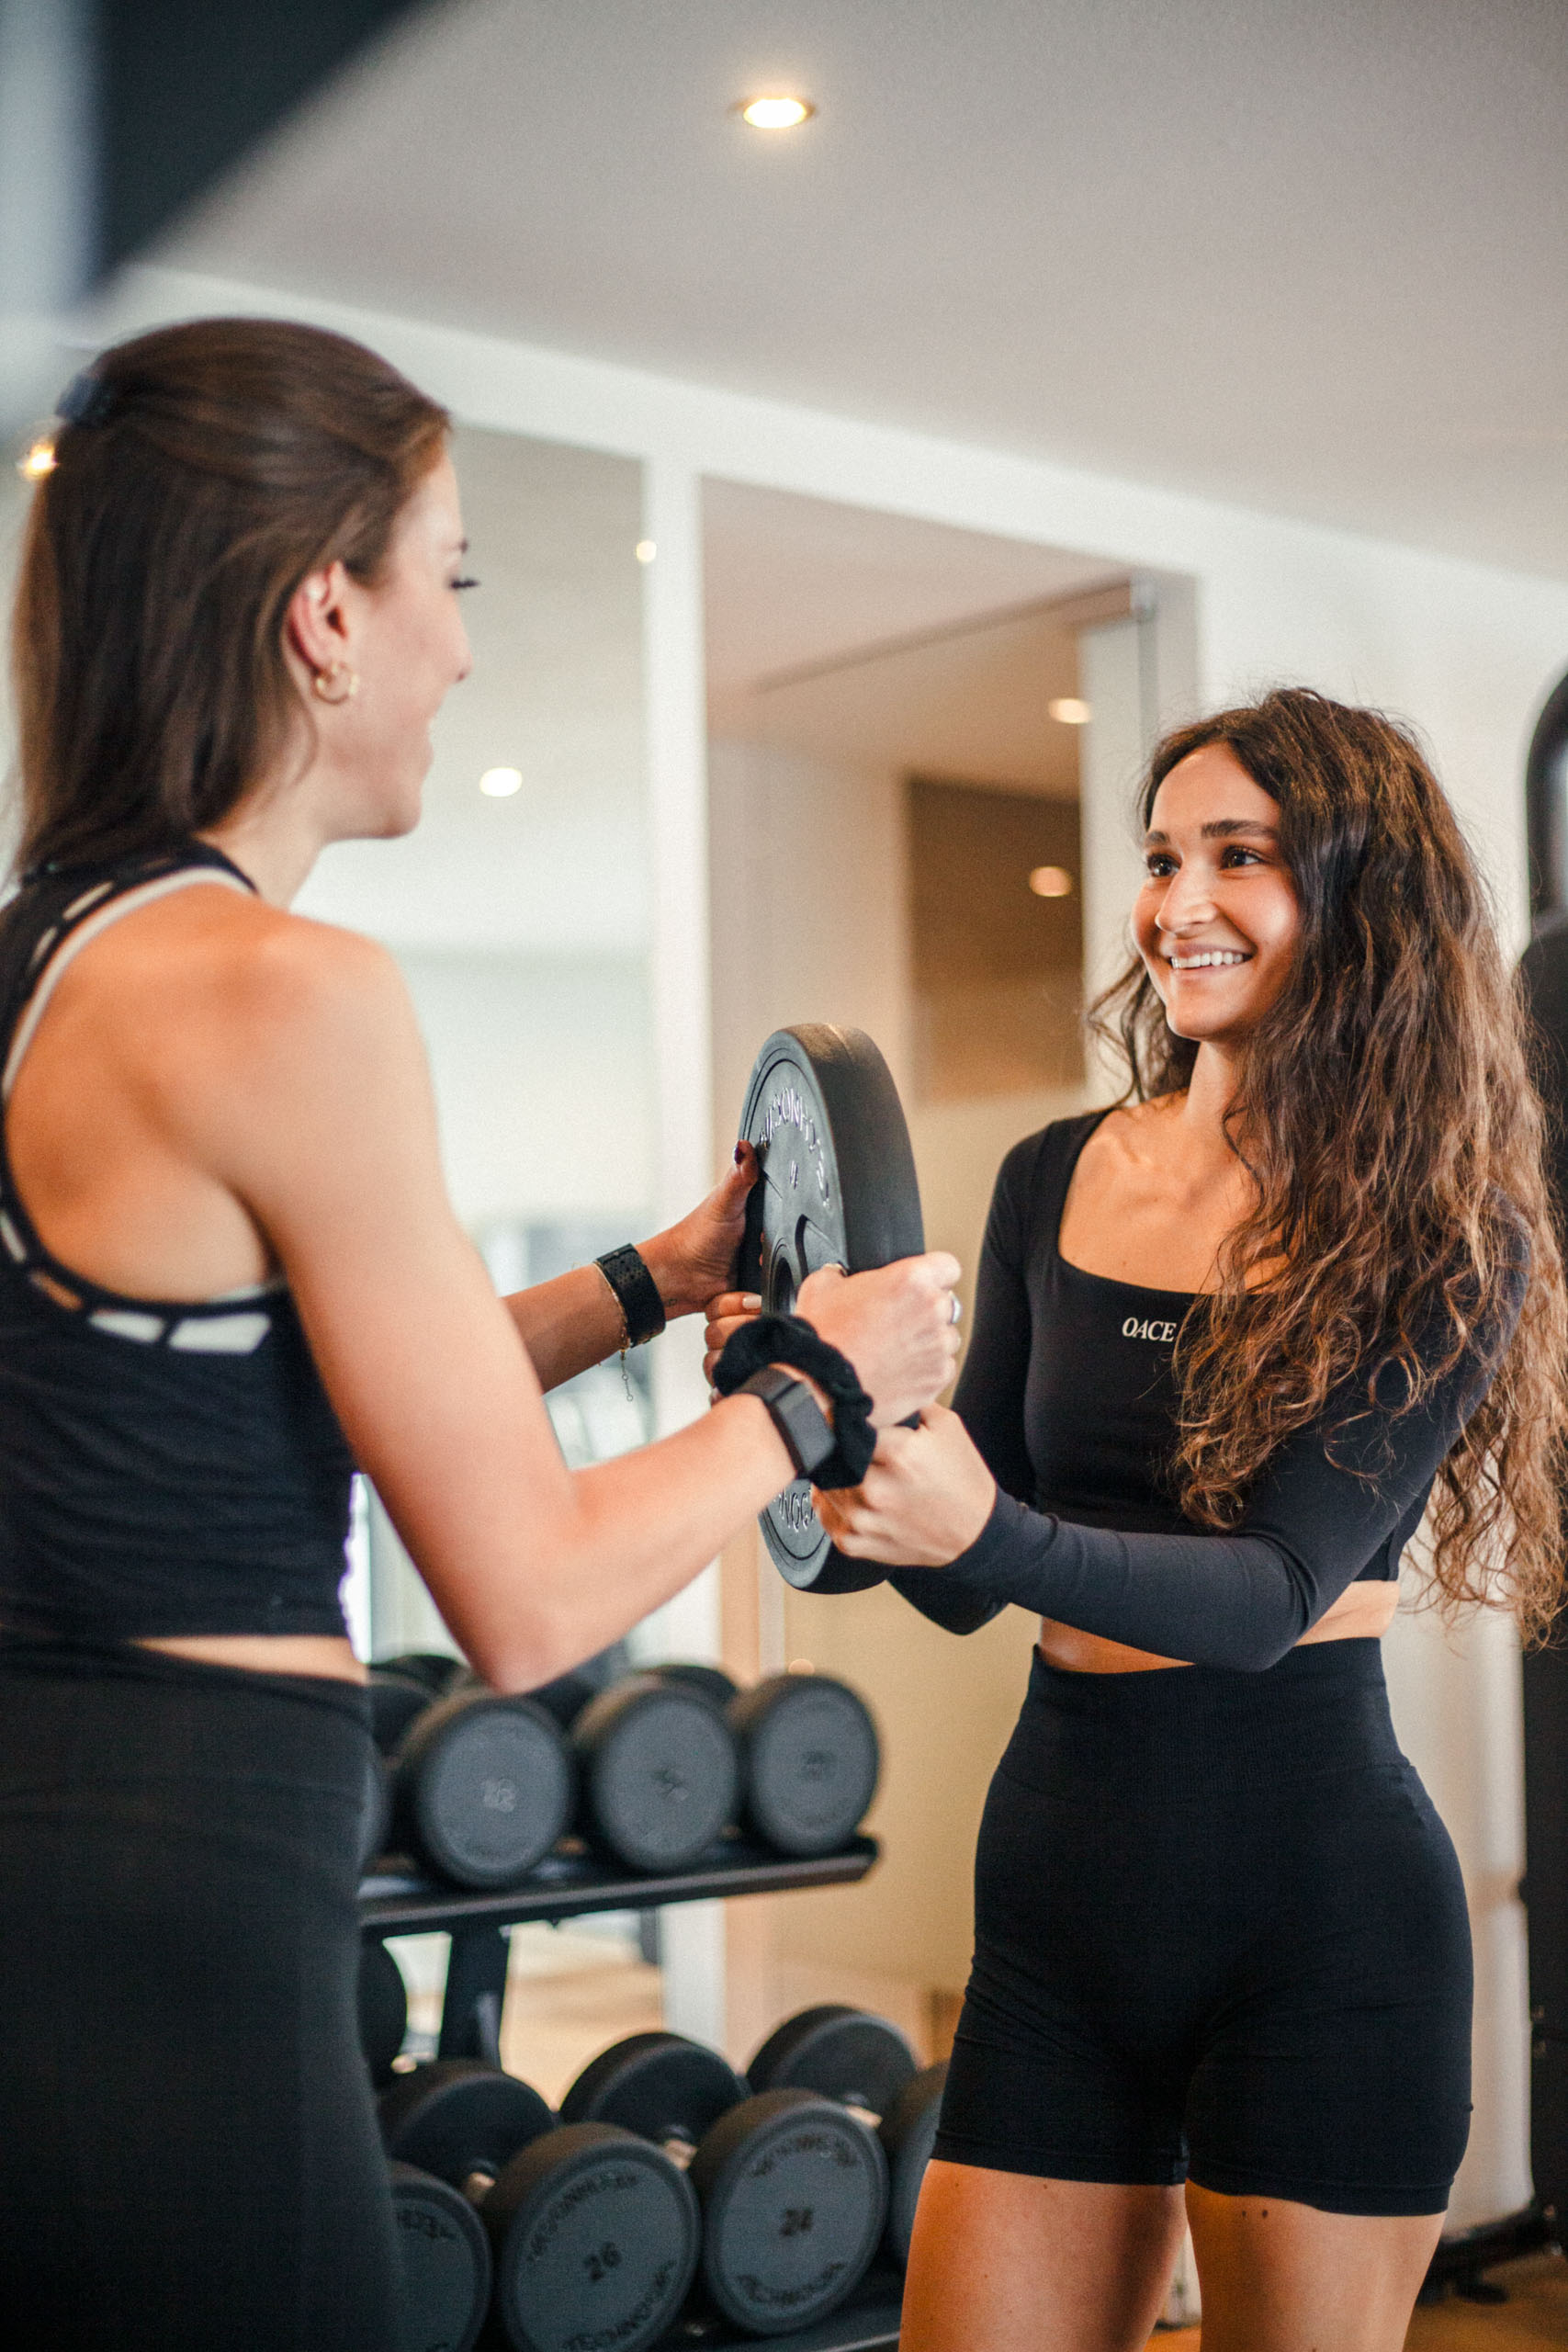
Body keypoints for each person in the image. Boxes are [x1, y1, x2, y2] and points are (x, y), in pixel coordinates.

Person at [0, 316, 961, 2349]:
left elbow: (280, 1385)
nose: (460, 648)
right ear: (321, 615)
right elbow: (525, 1600)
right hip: (185, 1863)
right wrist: (821, 1382)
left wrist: (660, 1279)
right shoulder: (284, 991)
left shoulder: (49, 960)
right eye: (451, 576)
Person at [810, 689, 1568, 2352]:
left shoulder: (1444, 1235)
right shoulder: (1052, 1173)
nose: (1179, 903)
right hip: (1057, 1902)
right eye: (1162, 858)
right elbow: (961, 1573)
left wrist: (978, 1529)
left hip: (1318, 1919)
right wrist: (839, 1431)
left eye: (1241, 856)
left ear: (1362, 899)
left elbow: (1271, 1593)